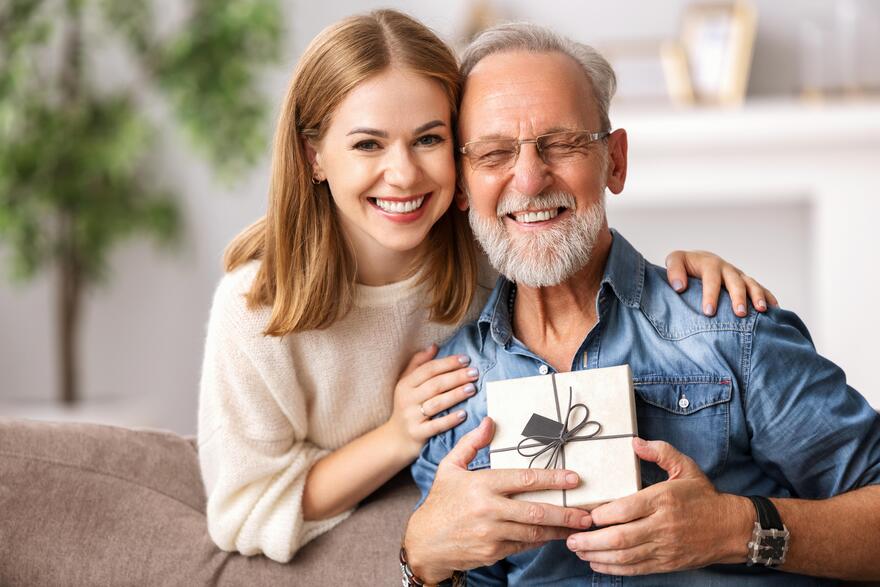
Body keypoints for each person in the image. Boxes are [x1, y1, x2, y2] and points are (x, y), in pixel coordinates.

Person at [197, 10, 776, 564]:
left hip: (498, 529)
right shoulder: (257, 308)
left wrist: (686, 268)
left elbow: (587, 255)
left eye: (428, 139)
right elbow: (248, 505)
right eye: (368, 144)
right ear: (314, 155)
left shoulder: (490, 254)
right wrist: (399, 437)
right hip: (369, 539)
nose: (402, 173)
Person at [403, 23, 880, 586]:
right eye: (493, 153)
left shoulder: (727, 324)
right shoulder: (451, 393)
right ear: (462, 185)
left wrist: (734, 528)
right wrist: (423, 561)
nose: (529, 179)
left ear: (615, 161)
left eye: (562, 143)